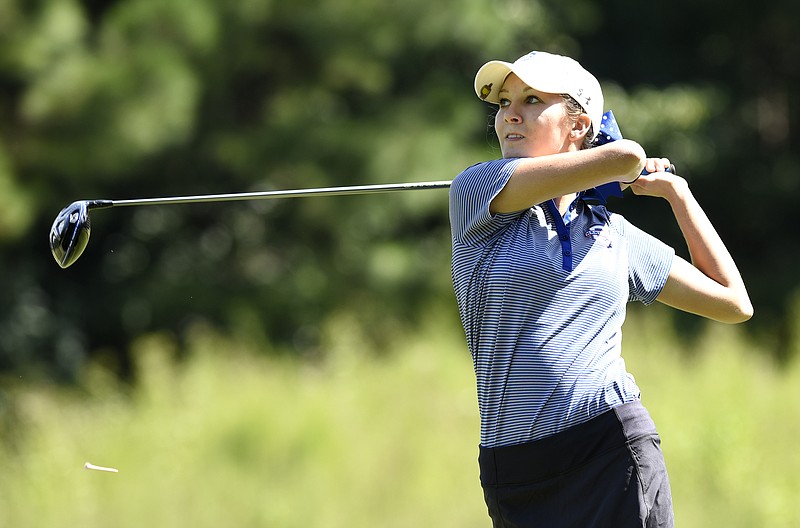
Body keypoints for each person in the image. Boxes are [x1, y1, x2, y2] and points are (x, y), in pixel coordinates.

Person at [449, 51, 753, 528]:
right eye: (504, 102)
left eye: (531, 100)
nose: (510, 113)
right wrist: (622, 165)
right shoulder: (476, 192)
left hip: (610, 445)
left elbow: (734, 302)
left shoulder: (613, 234)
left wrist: (679, 194)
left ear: (579, 125)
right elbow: (626, 155)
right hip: (515, 469)